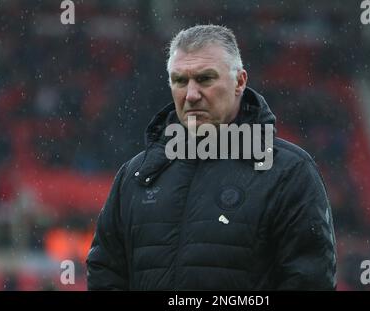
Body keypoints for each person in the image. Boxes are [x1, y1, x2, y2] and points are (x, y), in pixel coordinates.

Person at [86, 25, 337, 290]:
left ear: (239, 82)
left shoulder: (289, 172)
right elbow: (105, 270)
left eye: (205, 79)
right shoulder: (137, 175)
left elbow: (310, 281)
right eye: (180, 80)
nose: (191, 95)